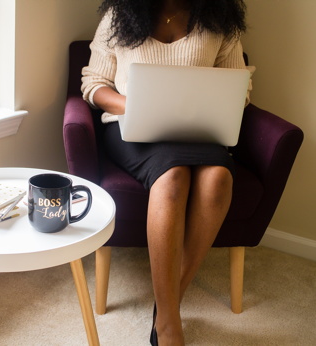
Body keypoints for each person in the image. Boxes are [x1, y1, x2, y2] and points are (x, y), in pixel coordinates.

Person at [81, 0, 251, 345]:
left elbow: (241, 87)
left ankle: (167, 304)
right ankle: (170, 325)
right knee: (173, 177)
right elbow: (93, 84)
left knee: (219, 177)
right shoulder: (118, 15)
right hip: (132, 128)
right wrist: (137, 105)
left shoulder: (220, 18)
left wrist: (211, 103)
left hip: (196, 129)